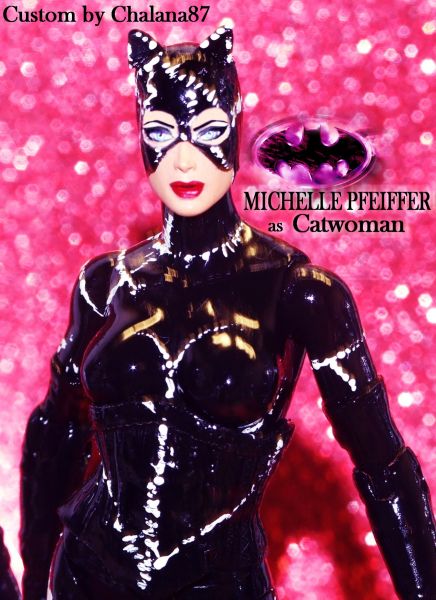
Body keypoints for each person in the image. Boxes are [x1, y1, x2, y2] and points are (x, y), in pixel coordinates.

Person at [20, 26, 436, 600]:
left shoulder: (298, 292)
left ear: (236, 126)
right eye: (159, 132)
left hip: (219, 582)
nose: (183, 159)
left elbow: (385, 465)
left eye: (209, 131)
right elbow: (56, 429)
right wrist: (30, 576)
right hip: (88, 573)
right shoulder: (104, 283)